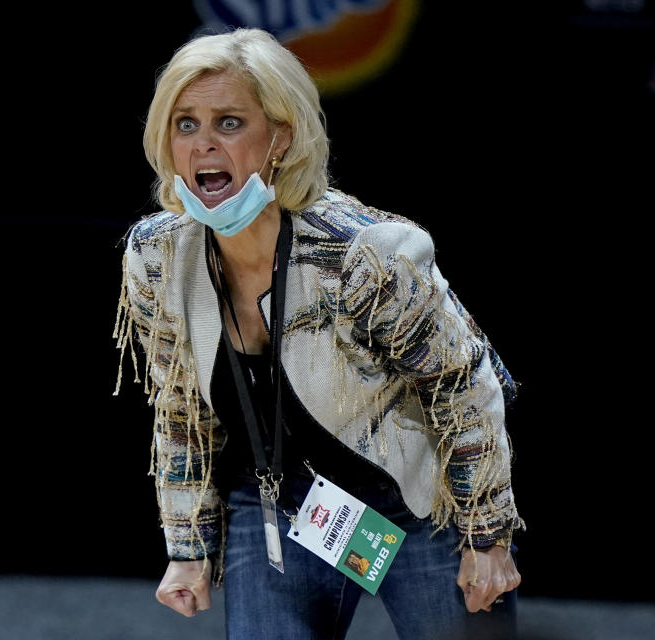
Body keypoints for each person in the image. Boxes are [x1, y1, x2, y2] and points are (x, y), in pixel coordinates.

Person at [114, 27, 524, 640]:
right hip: (280, 504)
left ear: (279, 136)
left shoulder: (359, 253)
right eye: (185, 124)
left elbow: (462, 386)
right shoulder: (157, 259)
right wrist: (189, 546)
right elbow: (182, 412)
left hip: (413, 503)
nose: (202, 145)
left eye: (229, 123)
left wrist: (484, 535)